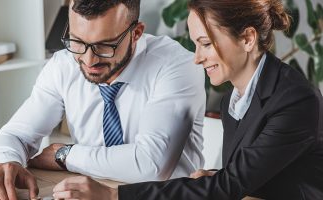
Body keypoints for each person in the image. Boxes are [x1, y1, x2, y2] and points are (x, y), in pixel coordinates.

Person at [50, 0, 323, 199]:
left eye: (205, 43)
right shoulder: (234, 100)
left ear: (248, 38)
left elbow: (230, 187)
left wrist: (112, 196)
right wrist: (217, 175)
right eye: (196, 44)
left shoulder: (295, 99)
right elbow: (255, 171)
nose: (197, 57)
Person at [0, 0, 206, 199]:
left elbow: (151, 165)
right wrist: (6, 160)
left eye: (104, 46)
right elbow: (16, 134)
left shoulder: (176, 65)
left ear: (136, 33)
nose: (89, 59)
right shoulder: (63, 66)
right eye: (77, 42)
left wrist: (65, 154)